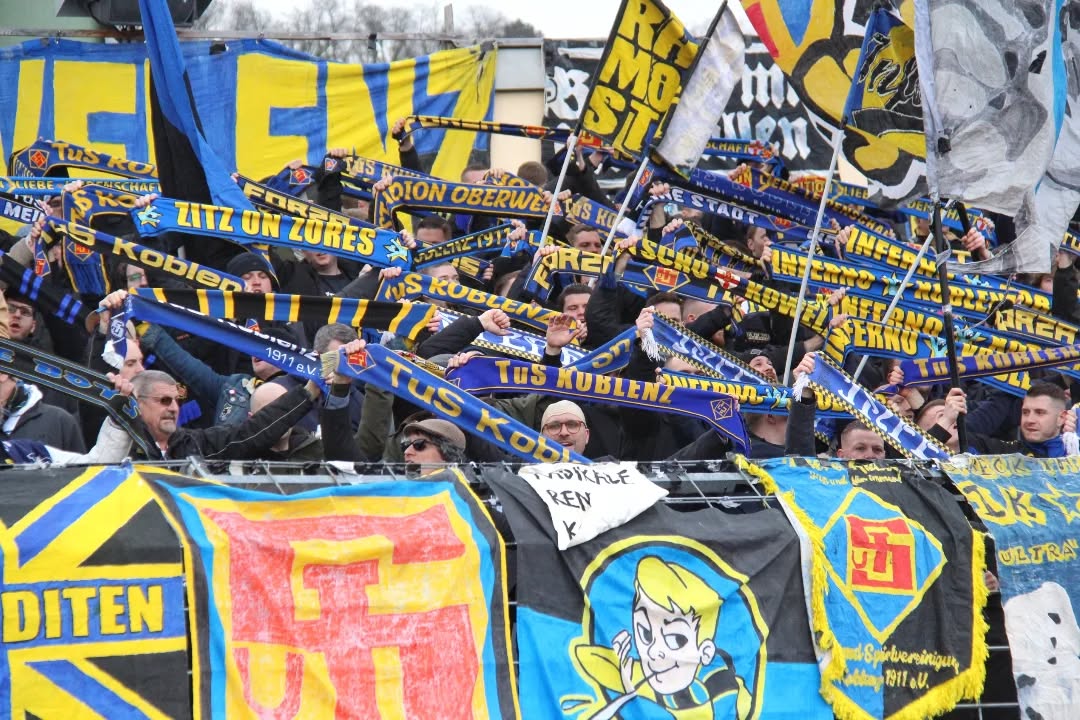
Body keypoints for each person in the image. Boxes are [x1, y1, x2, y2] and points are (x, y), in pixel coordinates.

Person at [131, 369, 320, 461]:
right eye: (164, 400)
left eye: (176, 401)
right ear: (138, 403)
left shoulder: (196, 443)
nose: (173, 408)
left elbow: (251, 432)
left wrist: (309, 391)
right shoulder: (123, 443)